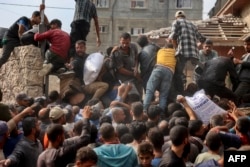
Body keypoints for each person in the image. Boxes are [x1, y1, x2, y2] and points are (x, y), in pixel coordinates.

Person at [168, 10, 206, 95]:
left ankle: (181, 93)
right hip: (194, 54)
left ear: (176, 17)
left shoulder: (176, 22)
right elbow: (203, 38)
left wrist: (175, 48)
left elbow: (173, 36)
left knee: (177, 74)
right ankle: (201, 90)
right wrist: (197, 46)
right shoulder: (192, 24)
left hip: (182, 52)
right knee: (201, 70)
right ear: (185, 17)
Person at [143, 42, 176, 112]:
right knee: (163, 94)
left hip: (159, 69)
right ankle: (161, 114)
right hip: (169, 71)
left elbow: (155, 45)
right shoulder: (175, 52)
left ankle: (145, 110)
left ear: (165, 47)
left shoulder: (161, 51)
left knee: (149, 90)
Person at [112, 32, 142, 98]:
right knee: (134, 96)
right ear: (120, 41)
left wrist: (136, 68)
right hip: (124, 78)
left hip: (134, 75)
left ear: (130, 41)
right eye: (123, 43)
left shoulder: (134, 46)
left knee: (140, 94)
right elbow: (120, 69)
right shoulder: (117, 52)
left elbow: (136, 58)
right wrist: (133, 74)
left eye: (127, 43)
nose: (125, 45)